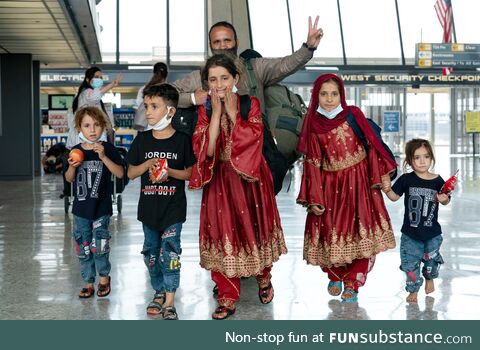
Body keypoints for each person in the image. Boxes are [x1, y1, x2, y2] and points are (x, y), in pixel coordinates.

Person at [189, 54, 287, 320]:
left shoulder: (249, 104)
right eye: (212, 79)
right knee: (221, 236)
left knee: (254, 232)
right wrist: (217, 116)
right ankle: (227, 296)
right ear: (206, 83)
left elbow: (252, 142)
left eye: (224, 77)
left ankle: (263, 278)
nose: (219, 84)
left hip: (250, 181)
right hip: (219, 181)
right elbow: (206, 151)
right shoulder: (205, 110)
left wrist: (233, 114)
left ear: (236, 78)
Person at [296, 73, 397, 302]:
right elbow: (312, 162)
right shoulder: (313, 123)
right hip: (330, 186)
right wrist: (314, 196)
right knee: (331, 230)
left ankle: (352, 282)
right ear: (315, 96)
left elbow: (372, 144)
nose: (329, 99)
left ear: (341, 94)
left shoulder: (353, 114)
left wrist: (380, 175)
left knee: (360, 232)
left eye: (334, 94)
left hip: (360, 184)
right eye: (324, 94)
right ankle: (335, 274)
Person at [126, 84, 195, 320]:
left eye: (154, 106)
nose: (148, 112)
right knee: (151, 254)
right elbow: (131, 173)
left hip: (173, 210)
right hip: (148, 210)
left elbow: (190, 173)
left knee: (171, 253)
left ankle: (169, 299)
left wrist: (170, 172)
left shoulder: (182, 141)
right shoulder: (142, 140)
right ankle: (158, 289)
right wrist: (148, 164)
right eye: (146, 106)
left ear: (171, 111)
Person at [172, 17, 323, 111]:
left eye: (227, 40)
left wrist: (308, 47)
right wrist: (192, 98)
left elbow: (285, 64)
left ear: (236, 42)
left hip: (254, 152)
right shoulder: (200, 76)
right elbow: (164, 94)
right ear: (211, 46)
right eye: (217, 42)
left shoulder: (255, 68)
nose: (223, 46)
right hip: (216, 154)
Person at [65, 106, 125, 299]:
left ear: (103, 127)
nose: (92, 130)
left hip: (101, 208)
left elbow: (120, 173)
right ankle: (88, 281)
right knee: (83, 247)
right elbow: (68, 178)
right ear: (79, 128)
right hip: (81, 209)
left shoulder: (108, 149)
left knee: (99, 245)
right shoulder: (75, 151)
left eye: (96, 125)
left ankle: (104, 278)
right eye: (87, 125)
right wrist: (73, 167)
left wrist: (103, 157)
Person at [382, 139, 450, 303]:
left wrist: (443, 199)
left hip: (432, 233)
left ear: (431, 158)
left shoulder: (438, 180)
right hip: (410, 234)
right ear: (410, 160)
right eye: (417, 157)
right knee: (410, 264)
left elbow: (446, 199)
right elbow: (394, 197)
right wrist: (387, 189)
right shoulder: (406, 179)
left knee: (431, 261)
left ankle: (429, 278)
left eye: (426, 156)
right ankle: (413, 289)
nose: (422, 161)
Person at [67, 67, 122, 149]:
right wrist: (112, 84)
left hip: (89, 138)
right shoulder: (86, 93)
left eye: (101, 77)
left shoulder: (83, 94)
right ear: (88, 79)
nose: (99, 79)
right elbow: (95, 96)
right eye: (96, 77)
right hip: (86, 139)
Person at [133, 62, 169, 131]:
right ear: (166, 74)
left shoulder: (144, 89)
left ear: (153, 73)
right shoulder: (169, 90)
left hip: (147, 128)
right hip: (165, 129)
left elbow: (137, 109)